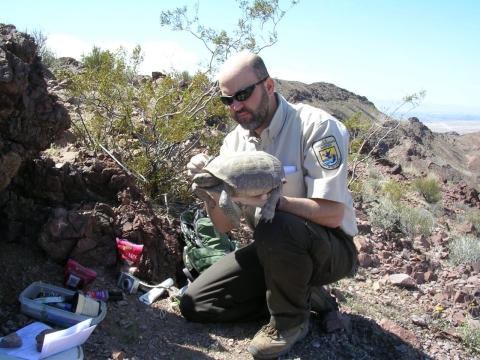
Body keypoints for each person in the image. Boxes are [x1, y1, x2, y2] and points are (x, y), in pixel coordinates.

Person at [181, 52, 358, 359]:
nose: (236, 106)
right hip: (273, 249)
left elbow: (332, 214)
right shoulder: (234, 145)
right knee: (197, 304)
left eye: (243, 95)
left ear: (270, 86)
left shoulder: (316, 127)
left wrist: (272, 200)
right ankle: (299, 292)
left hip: (330, 248)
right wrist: (207, 187)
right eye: (228, 100)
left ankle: (289, 322)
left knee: (275, 221)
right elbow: (225, 226)